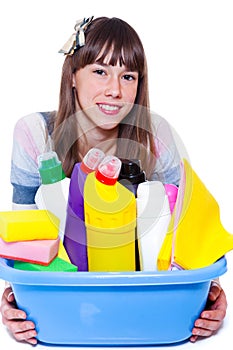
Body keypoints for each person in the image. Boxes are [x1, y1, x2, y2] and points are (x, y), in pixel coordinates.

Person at [0, 16, 227, 345]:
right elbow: (21, 237)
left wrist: (211, 293)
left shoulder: (155, 135)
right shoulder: (35, 134)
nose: (115, 90)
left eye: (128, 76)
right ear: (73, 76)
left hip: (147, 302)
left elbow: (185, 233)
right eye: (100, 71)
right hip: (63, 307)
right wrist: (13, 299)